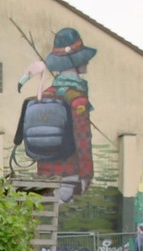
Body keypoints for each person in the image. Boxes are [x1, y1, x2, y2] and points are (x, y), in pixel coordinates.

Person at [38, 27, 96, 203]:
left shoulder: (45, 95)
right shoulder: (78, 100)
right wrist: (86, 174)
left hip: (43, 175)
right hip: (68, 175)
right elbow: (82, 139)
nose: (86, 62)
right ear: (76, 62)